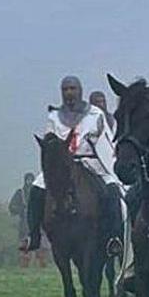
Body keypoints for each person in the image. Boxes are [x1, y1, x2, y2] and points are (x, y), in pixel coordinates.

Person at [22, 76, 124, 258]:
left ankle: (114, 237)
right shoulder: (54, 116)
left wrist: (111, 165)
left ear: (80, 91)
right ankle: (34, 235)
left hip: (91, 162)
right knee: (36, 190)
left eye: (73, 89)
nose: (69, 93)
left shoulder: (95, 115)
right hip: (62, 166)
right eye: (66, 90)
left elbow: (106, 141)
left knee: (112, 191)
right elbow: (49, 143)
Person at [9, 173, 48, 268]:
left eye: (31, 180)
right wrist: (21, 210)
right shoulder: (20, 193)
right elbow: (12, 207)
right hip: (24, 224)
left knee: (41, 247)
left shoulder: (41, 193)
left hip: (38, 223)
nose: (29, 182)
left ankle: (42, 267)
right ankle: (24, 268)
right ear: (25, 181)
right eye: (28, 180)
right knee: (24, 246)